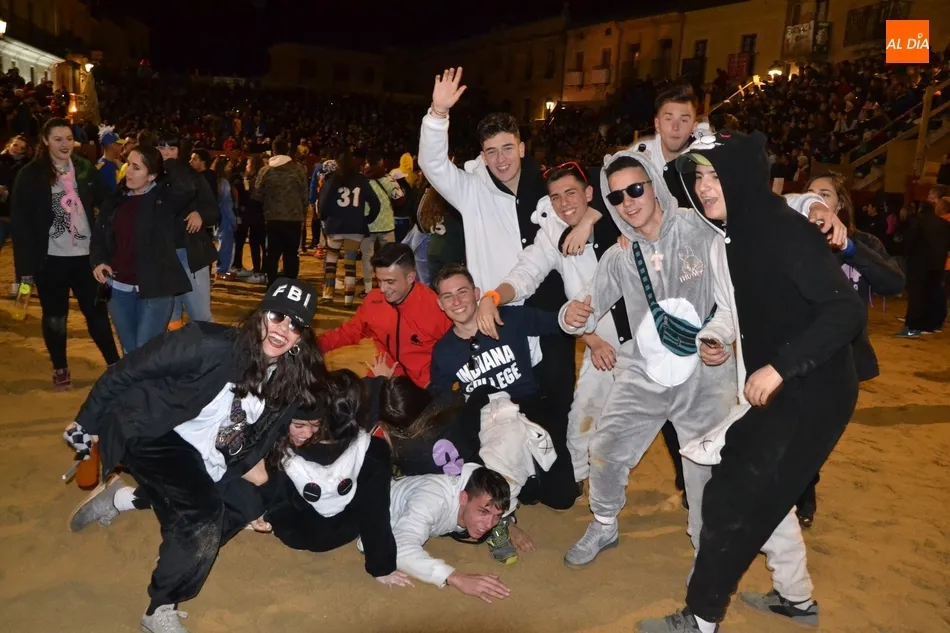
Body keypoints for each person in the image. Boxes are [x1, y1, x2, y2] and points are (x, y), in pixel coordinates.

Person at [638, 130, 866, 633]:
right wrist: (718, 335)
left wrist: (780, 367)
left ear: (741, 176)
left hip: (814, 390)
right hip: (784, 388)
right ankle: (796, 601)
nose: (704, 187)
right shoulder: (731, 235)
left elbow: (845, 311)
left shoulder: (781, 230)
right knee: (762, 496)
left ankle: (701, 618)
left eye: (714, 175)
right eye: (698, 177)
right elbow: (734, 306)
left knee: (733, 498)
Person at [64, 278, 325, 633]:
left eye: (295, 325)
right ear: (260, 314)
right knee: (202, 515)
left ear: (302, 337)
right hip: (155, 430)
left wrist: (252, 487)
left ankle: (125, 501)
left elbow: (260, 438)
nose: (283, 329)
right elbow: (129, 369)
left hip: (208, 450)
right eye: (277, 316)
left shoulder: (289, 381)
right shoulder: (206, 343)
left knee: (249, 501)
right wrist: (87, 421)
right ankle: (161, 606)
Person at [557, 149, 736, 570]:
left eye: (635, 189)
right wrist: (571, 315)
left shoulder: (699, 227)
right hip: (644, 371)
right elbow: (585, 305)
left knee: (704, 467)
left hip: (705, 374)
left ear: (655, 186)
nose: (628, 202)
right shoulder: (619, 255)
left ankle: (705, 551)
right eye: (616, 197)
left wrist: (723, 339)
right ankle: (604, 523)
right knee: (605, 447)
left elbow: (736, 285)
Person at [419, 67, 579, 507]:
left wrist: (593, 219)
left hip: (547, 310)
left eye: (508, 147)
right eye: (491, 151)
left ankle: (552, 471)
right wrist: (437, 114)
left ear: (522, 147)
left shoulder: (547, 190)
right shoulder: (471, 190)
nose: (501, 158)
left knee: (558, 398)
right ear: (483, 155)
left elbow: (585, 205)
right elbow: (433, 165)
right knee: (507, 397)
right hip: (497, 315)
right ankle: (511, 476)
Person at [795, 172, 904, 526]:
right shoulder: (791, 238)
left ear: (840, 204)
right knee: (796, 428)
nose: (816, 199)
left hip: (845, 359)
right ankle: (802, 493)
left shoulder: (863, 241)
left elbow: (893, 283)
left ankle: (804, 483)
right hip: (798, 354)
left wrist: (851, 250)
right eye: (810, 193)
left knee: (820, 433)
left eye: (825, 194)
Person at [429, 264, 573, 512]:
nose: (457, 302)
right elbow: (438, 399)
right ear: (440, 304)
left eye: (462, 292)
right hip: (488, 421)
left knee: (562, 498)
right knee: (501, 482)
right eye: (448, 296)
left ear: (476, 293)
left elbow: (558, 322)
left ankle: (528, 474)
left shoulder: (509, 318)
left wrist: (590, 336)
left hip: (529, 410)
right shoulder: (443, 351)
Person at [252, 369, 411, 587]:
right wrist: (382, 567)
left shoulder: (281, 442)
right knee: (375, 483)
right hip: (345, 529)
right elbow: (375, 509)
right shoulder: (372, 449)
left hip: (297, 533)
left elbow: (275, 498)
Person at [10, 117, 120, 390]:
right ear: (45, 141)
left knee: (97, 313)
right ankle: (60, 368)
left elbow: (110, 200)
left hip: (86, 258)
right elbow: (21, 224)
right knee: (55, 317)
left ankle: (115, 366)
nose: (64, 144)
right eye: (58, 139)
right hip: (49, 260)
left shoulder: (83, 168)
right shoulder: (31, 174)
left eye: (69, 139)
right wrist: (24, 271)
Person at [89, 145, 193, 354]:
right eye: (129, 164)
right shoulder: (115, 200)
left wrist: (170, 161)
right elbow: (99, 237)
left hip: (155, 290)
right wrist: (99, 261)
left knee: (145, 351)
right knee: (129, 351)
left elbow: (188, 189)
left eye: (136, 168)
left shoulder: (163, 200)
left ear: (152, 175)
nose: (128, 171)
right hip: (118, 290)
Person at [318, 242, 450, 387]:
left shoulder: (436, 307)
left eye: (390, 282)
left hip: (424, 386)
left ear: (410, 277)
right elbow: (350, 331)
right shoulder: (374, 300)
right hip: (384, 376)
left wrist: (436, 384)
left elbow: (459, 349)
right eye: (379, 281)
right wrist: (312, 345)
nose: (382, 289)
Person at [388, 463, 514, 602]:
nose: (489, 525)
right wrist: (455, 577)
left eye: (497, 516)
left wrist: (511, 524)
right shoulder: (433, 499)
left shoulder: (472, 489)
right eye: (483, 512)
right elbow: (398, 549)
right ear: (463, 498)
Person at [158, 134, 219, 327]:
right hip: (162, 256)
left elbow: (213, 211)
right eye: (162, 147)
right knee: (170, 317)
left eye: (171, 148)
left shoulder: (193, 177)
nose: (166, 153)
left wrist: (200, 214)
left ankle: (209, 347)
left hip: (190, 254)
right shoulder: (150, 177)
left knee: (200, 316)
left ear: (179, 152)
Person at [318, 149, 381, 306]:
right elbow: (375, 203)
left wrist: (324, 218)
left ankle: (328, 296)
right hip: (355, 226)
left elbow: (323, 203)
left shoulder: (333, 179)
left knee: (331, 262)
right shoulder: (361, 180)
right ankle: (348, 299)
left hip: (335, 225)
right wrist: (367, 219)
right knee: (350, 263)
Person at [254, 138, 308, 284]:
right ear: (287, 151)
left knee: (272, 254)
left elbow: (257, 195)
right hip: (294, 219)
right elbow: (305, 196)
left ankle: (271, 285)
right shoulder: (299, 170)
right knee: (291, 254)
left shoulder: (265, 171)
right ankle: (290, 285)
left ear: (273, 151)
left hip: (272, 218)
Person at [360, 150, 403, 297]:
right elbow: (400, 199)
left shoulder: (362, 180)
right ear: (380, 162)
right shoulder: (388, 179)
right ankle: (389, 286)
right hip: (386, 224)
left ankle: (368, 289)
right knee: (389, 257)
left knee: (367, 257)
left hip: (367, 224)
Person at [210, 155, 238, 278]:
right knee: (226, 244)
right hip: (224, 216)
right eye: (228, 164)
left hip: (216, 216)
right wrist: (233, 220)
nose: (231, 166)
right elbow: (226, 204)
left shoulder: (215, 181)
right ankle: (221, 270)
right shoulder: (224, 183)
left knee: (220, 242)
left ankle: (219, 269)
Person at [96, 125, 126, 192]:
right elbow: (115, 191)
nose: (122, 146)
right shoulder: (104, 167)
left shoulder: (113, 162)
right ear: (112, 145)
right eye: (119, 144)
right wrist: (123, 170)